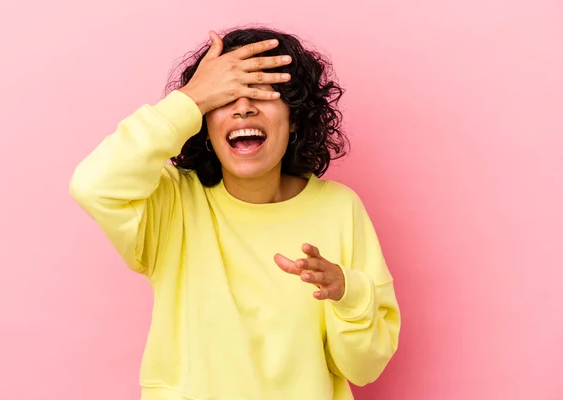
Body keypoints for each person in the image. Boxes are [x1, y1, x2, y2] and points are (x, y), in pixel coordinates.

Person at [69, 26, 401, 400]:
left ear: (294, 120)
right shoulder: (170, 201)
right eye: (226, 96)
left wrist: (348, 292)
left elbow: (364, 368)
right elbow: (92, 185)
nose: (244, 107)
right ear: (204, 124)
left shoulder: (339, 208)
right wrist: (191, 98)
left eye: (263, 94)